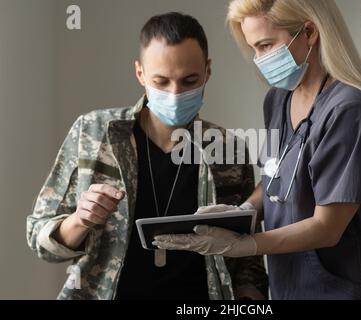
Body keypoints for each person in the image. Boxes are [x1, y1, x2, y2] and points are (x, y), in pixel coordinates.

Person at [153, 1, 361, 299]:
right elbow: (277, 180)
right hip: (287, 287)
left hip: (344, 287)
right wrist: (242, 211)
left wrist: (248, 244)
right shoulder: (278, 100)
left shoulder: (351, 109)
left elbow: (328, 228)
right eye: (254, 48)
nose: (259, 59)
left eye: (266, 45)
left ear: (309, 32)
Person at [26, 12, 267, 300]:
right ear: (140, 73)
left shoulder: (228, 149)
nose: (175, 93)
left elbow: (247, 259)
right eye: (161, 81)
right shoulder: (93, 133)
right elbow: (39, 240)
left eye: (189, 80)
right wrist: (80, 220)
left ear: (207, 71)